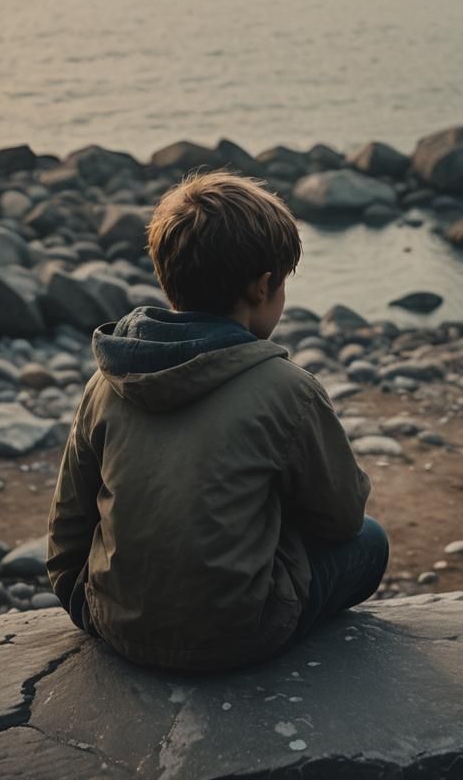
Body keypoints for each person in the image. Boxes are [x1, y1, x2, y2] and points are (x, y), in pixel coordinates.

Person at [46, 170, 388, 671]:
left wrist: (90, 603)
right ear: (262, 286)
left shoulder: (107, 380)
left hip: (113, 623)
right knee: (371, 541)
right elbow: (341, 519)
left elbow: (68, 527)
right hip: (240, 637)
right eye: (282, 284)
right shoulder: (287, 389)